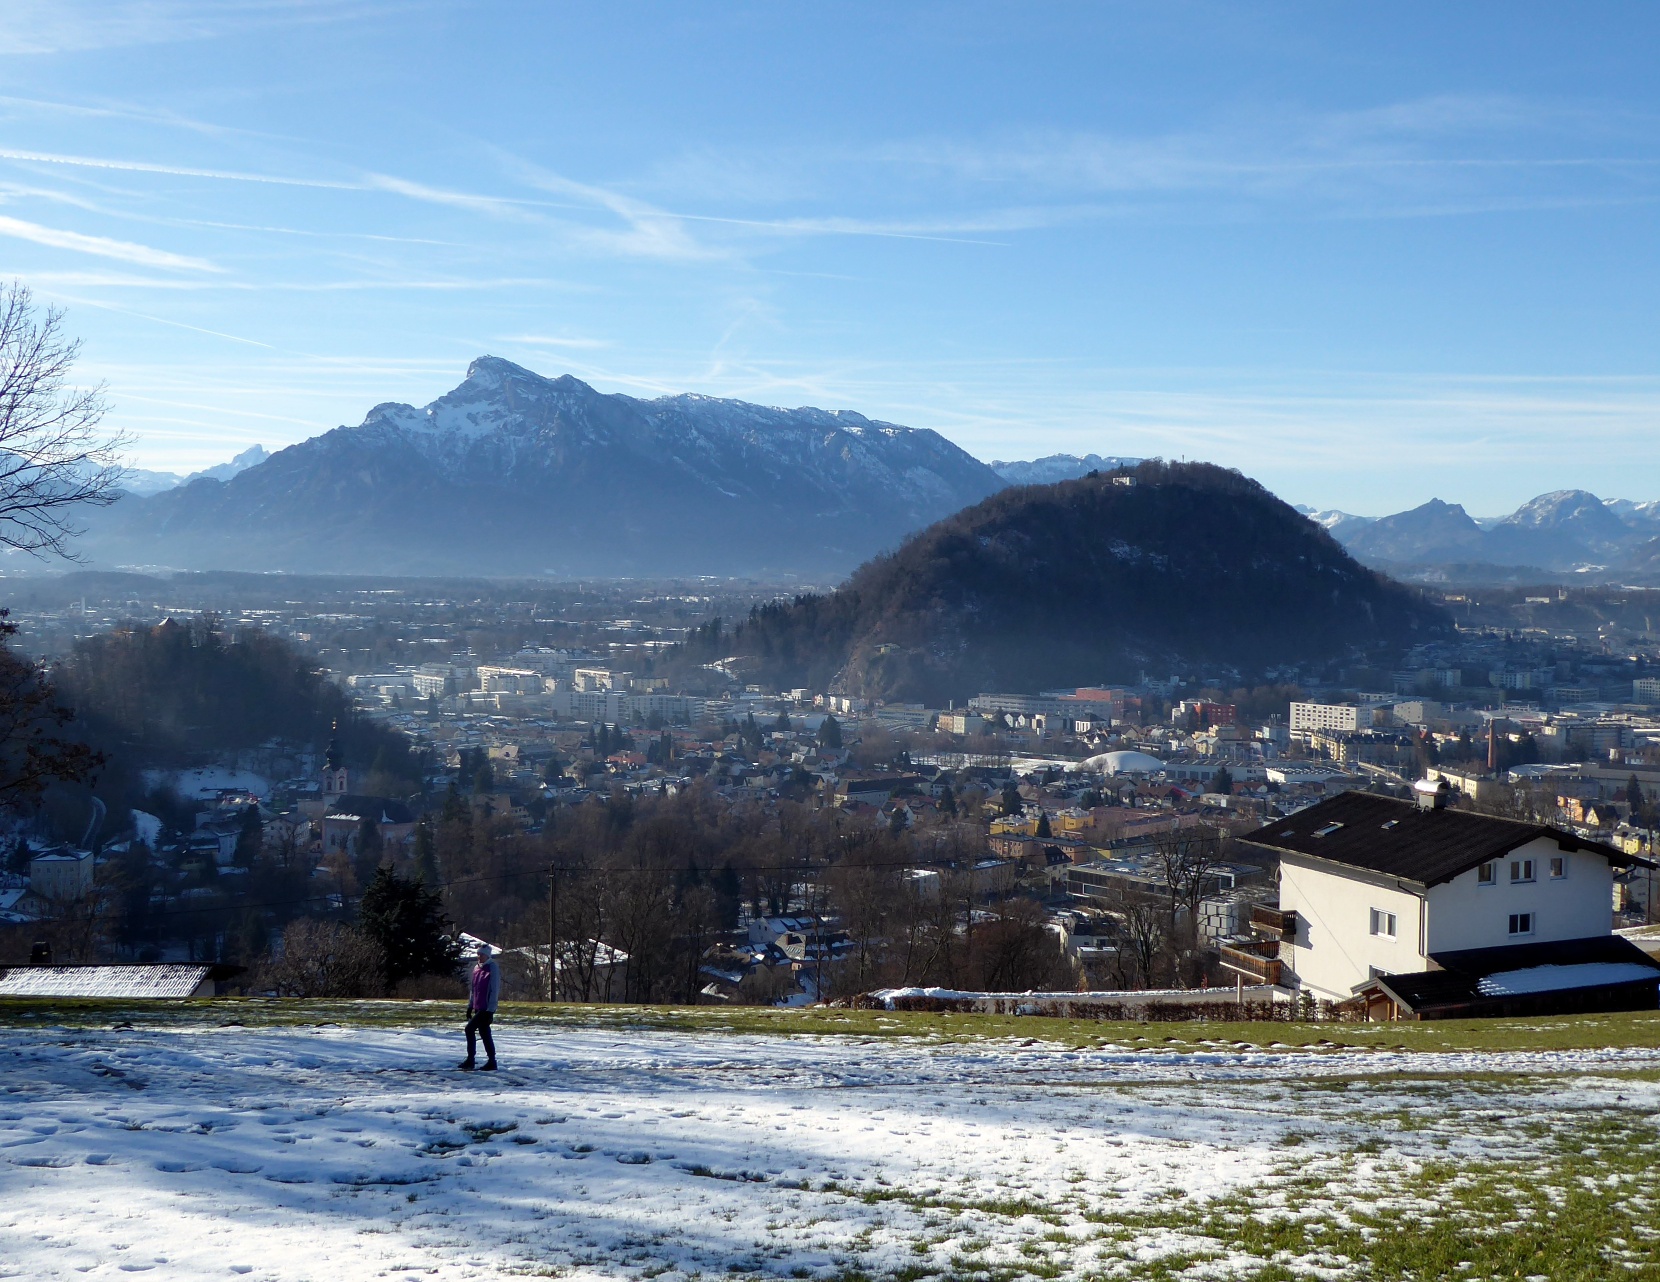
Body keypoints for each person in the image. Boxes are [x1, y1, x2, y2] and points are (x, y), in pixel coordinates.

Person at [459, 943, 501, 1071]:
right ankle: (491, 1061)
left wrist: (491, 1010)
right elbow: (474, 989)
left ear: (487, 955)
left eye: (481, 954)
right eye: (478, 954)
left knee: (469, 1029)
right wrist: (470, 1005)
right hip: (478, 1006)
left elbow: (494, 989)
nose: (479, 957)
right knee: (484, 1032)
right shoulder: (477, 968)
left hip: (486, 1008)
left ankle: (471, 1059)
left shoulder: (492, 967)